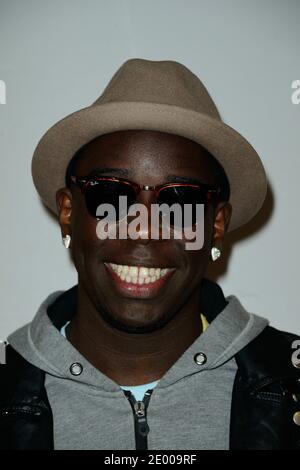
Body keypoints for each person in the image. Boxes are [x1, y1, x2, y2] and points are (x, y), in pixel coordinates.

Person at [0, 59, 299, 450]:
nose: (143, 227)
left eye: (182, 200)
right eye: (111, 194)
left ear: (217, 225)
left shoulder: (288, 383)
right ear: (68, 214)